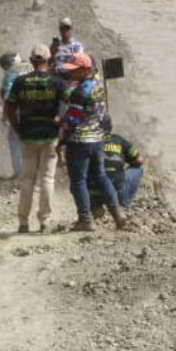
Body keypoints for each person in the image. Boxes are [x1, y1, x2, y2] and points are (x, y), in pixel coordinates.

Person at [58, 52, 128, 232]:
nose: (71, 73)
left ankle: (85, 219)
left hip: (80, 141)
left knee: (78, 180)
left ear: (85, 70)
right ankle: (117, 213)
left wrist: (62, 140)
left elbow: (73, 119)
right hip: (98, 140)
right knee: (100, 175)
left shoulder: (80, 92)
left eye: (75, 70)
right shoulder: (97, 85)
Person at [4, 44, 65, 234]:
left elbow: (9, 108)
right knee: (47, 179)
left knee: (27, 179)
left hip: (28, 136)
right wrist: (60, 123)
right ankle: (44, 221)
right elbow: (69, 106)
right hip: (50, 137)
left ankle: (23, 222)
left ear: (31, 61)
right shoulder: (58, 83)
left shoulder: (20, 82)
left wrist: (17, 129)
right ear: (49, 60)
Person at [87, 116, 145, 215]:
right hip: (115, 188)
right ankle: (123, 206)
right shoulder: (118, 140)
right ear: (111, 127)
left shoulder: (87, 143)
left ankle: (95, 207)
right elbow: (139, 160)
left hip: (93, 191)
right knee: (138, 169)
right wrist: (126, 162)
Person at [0, 51, 29, 178]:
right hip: (39, 109)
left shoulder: (10, 75)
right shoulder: (31, 67)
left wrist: (5, 115)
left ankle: (20, 171)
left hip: (19, 111)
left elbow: (8, 98)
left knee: (14, 140)